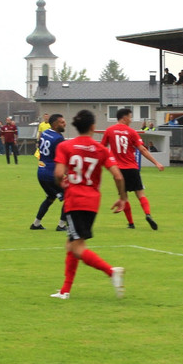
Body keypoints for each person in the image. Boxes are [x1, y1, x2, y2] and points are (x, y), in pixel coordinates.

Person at [50, 110, 128, 300]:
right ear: (93, 127)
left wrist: (62, 183)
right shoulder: (102, 150)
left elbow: (59, 173)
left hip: (75, 200)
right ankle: (65, 291)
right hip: (92, 201)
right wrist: (122, 198)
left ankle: (111, 272)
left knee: (76, 247)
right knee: (72, 243)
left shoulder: (66, 146)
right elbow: (118, 175)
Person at [102, 107, 165, 230]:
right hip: (132, 167)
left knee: (123, 196)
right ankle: (147, 214)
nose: (130, 120)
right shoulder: (132, 132)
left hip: (117, 169)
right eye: (130, 117)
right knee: (140, 193)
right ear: (124, 117)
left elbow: (102, 148)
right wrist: (156, 162)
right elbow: (142, 149)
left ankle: (131, 223)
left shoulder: (109, 131)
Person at [30, 114, 68, 231]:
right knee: (70, 197)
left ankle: (36, 224)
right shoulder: (58, 138)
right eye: (62, 122)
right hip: (51, 174)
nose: (64, 123)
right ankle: (61, 225)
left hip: (41, 172)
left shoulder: (45, 133)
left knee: (51, 197)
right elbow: (60, 159)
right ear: (56, 124)